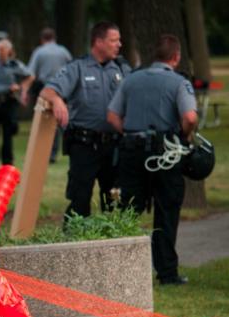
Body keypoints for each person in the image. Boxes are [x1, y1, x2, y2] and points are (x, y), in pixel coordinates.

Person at [107, 34, 198, 286]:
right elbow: (189, 117)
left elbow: (113, 116)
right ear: (176, 57)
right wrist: (185, 136)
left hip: (132, 151)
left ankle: (124, 273)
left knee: (128, 211)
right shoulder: (179, 83)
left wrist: (132, 135)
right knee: (166, 211)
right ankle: (167, 273)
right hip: (165, 154)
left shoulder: (131, 79)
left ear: (154, 55)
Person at [41, 21, 131, 220]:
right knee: (80, 200)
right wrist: (57, 100)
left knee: (114, 200)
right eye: (114, 40)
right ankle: (74, 242)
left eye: (119, 40)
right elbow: (47, 90)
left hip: (114, 146)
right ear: (98, 42)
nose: (119, 44)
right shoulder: (78, 68)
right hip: (84, 146)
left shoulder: (122, 69)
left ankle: (112, 241)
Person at [26, 28, 72, 162]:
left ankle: (50, 154)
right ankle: (71, 148)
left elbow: (31, 73)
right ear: (54, 38)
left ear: (42, 39)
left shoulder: (39, 52)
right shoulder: (63, 51)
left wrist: (26, 91)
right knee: (63, 119)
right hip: (62, 87)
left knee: (46, 122)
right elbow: (72, 68)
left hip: (45, 89)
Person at [0, 39, 33, 166]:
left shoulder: (14, 65)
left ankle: (7, 161)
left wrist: (20, 87)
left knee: (8, 133)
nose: (0, 52)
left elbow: (30, 76)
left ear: (9, 51)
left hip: (9, 101)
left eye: (2, 49)